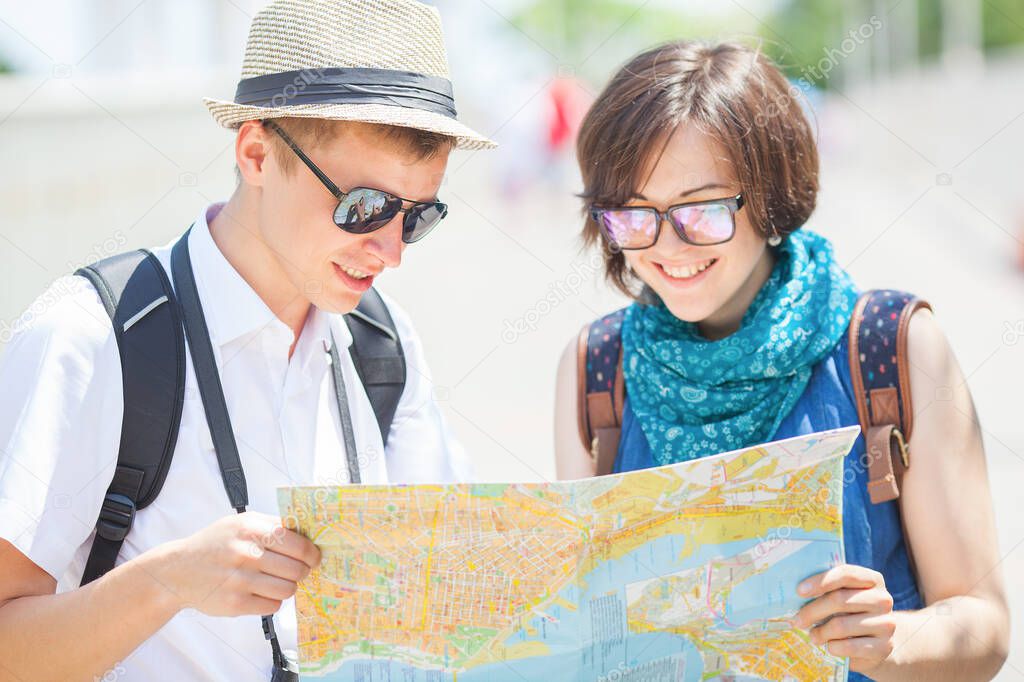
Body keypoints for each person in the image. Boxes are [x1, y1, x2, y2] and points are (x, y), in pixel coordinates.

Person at [0, 1, 493, 680]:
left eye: (417, 217)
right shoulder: (91, 340)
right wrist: (165, 583)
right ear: (256, 153)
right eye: (364, 208)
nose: (390, 251)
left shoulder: (384, 344)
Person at [553, 41, 1009, 680]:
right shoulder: (597, 367)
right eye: (634, 213)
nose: (666, 244)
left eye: (702, 209)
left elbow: (984, 627)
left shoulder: (890, 347)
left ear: (770, 195)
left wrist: (892, 640)